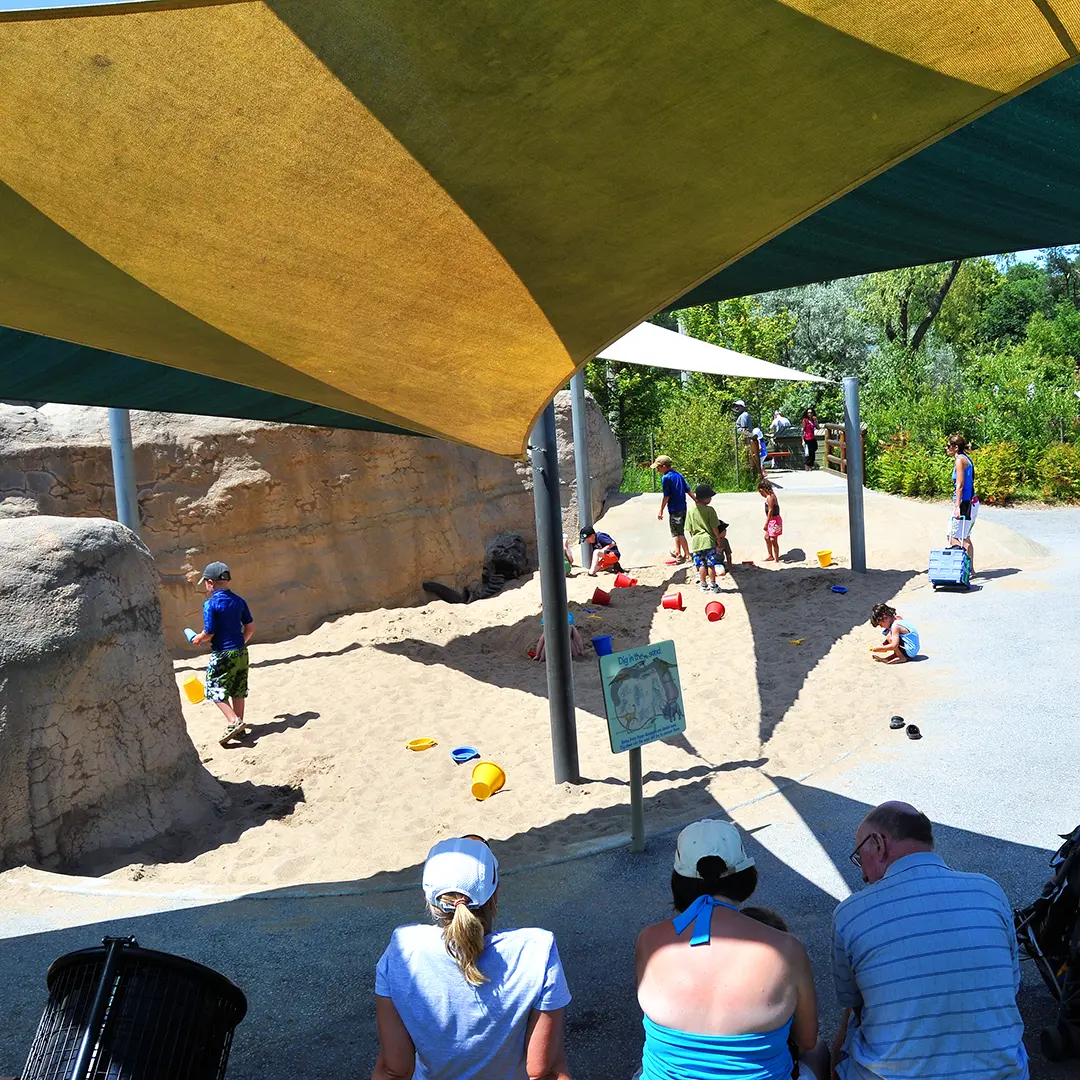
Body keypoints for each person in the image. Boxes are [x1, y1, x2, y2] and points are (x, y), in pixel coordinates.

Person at [832, 802, 1027, 1080]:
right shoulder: (989, 891)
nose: (862, 873)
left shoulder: (850, 913)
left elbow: (853, 1003)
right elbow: (1011, 984)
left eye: (859, 857)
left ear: (878, 844)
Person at [636, 819, 826, 1080]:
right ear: (745, 876)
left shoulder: (649, 941)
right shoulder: (787, 949)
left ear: (679, 880)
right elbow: (806, 1041)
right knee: (819, 1052)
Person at [373, 836, 572, 1080]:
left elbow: (395, 1069)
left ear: (430, 900)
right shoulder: (538, 950)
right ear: (495, 893)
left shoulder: (402, 949)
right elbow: (541, 1069)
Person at [189, 561, 254, 746]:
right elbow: (250, 627)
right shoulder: (239, 601)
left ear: (210, 582)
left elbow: (209, 631)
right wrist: (240, 643)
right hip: (241, 651)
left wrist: (198, 638)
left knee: (213, 689)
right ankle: (240, 727)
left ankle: (234, 722)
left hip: (223, 653)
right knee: (237, 688)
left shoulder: (211, 604)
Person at [653, 455, 697, 564]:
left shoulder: (666, 478)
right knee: (676, 531)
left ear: (664, 466)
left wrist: (661, 510)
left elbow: (666, 496)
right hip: (683, 507)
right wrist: (696, 500)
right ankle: (678, 552)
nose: (657, 470)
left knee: (679, 532)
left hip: (674, 509)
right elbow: (688, 489)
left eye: (658, 468)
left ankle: (687, 555)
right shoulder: (678, 475)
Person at [945, 434, 978, 575]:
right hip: (971, 502)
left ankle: (961, 567)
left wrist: (957, 506)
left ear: (955, 447)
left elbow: (960, 485)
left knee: (952, 536)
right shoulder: (966, 459)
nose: (946, 449)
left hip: (965, 503)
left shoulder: (960, 460)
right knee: (965, 537)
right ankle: (969, 569)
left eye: (948, 446)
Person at [686, 483, 728, 593]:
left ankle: (703, 585)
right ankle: (713, 585)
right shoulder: (710, 510)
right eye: (710, 497)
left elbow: (690, 529)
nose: (711, 499)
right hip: (708, 541)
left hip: (696, 542)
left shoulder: (690, 511)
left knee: (700, 565)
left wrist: (694, 538)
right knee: (711, 564)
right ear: (705, 498)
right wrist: (718, 540)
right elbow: (715, 527)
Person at [758, 479, 782, 562]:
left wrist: (766, 523)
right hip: (772, 520)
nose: (761, 495)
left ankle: (776, 558)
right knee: (767, 537)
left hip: (774, 520)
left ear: (762, 490)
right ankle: (770, 555)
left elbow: (771, 511)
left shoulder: (770, 497)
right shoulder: (770, 495)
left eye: (760, 493)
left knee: (773, 540)